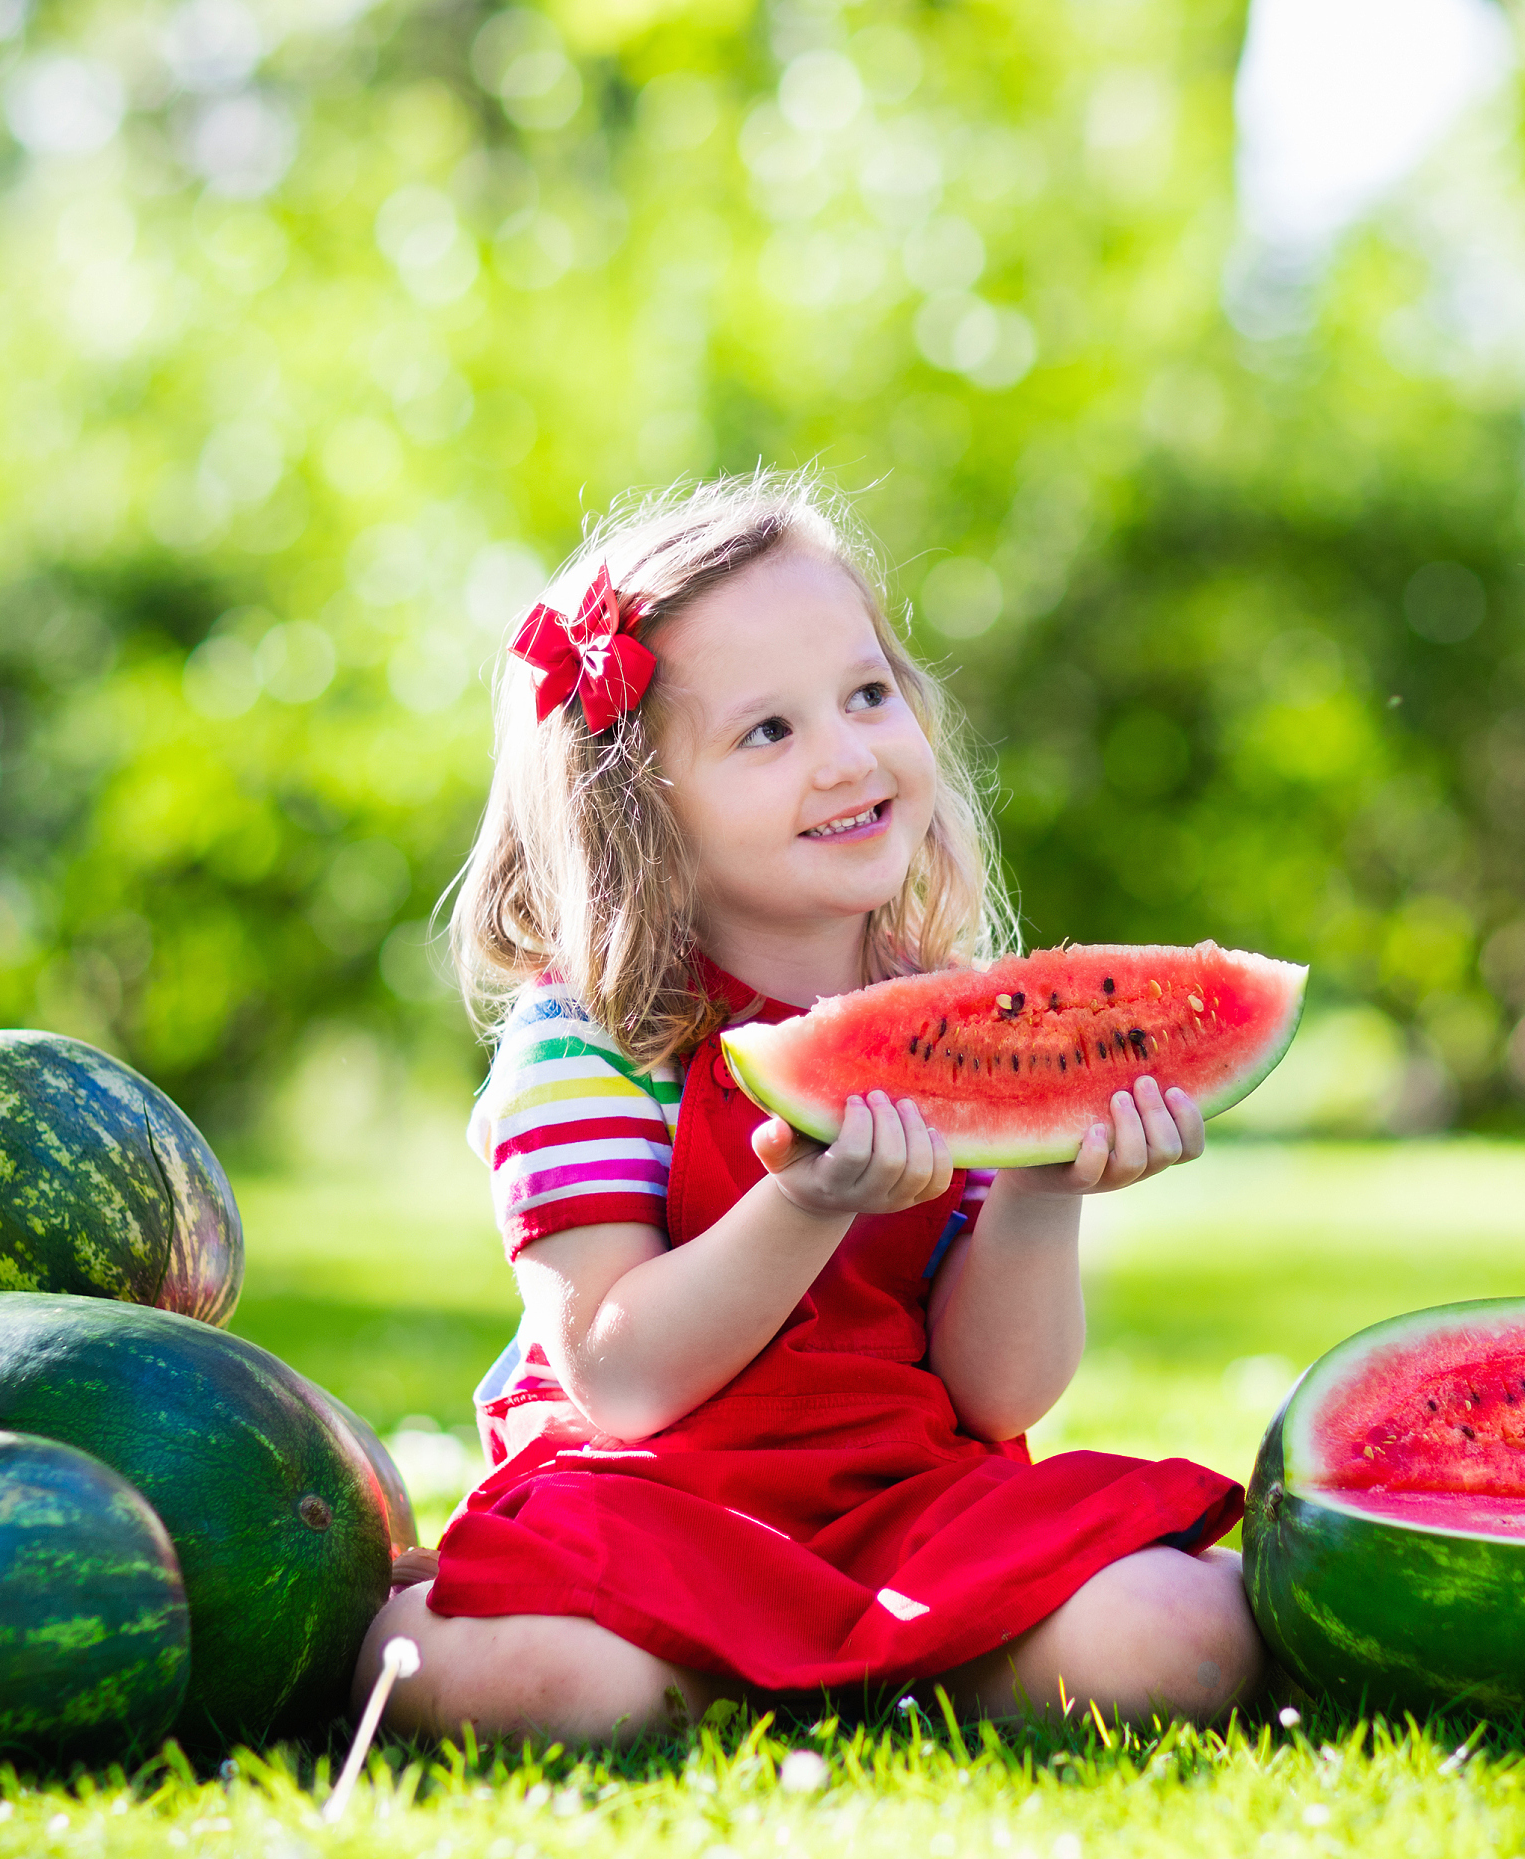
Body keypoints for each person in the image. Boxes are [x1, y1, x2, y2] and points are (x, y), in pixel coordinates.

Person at [356, 473, 1265, 1744]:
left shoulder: (950, 1019)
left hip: (902, 1497)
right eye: (767, 732)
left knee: (1187, 1627)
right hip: (650, 1503)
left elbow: (995, 1397)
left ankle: (784, 1675)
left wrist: (1040, 1189)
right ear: (640, 809)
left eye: (867, 694)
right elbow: (618, 1374)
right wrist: (803, 1200)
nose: (846, 756)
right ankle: (876, 1671)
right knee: (501, 1673)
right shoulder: (587, 1042)